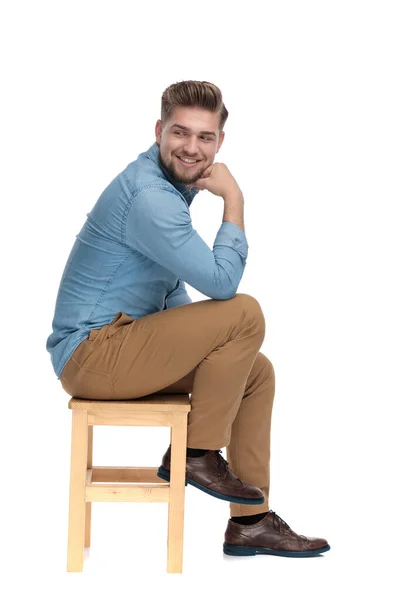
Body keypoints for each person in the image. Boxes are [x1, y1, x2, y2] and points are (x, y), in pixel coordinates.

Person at [46, 80, 330, 558]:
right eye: (180, 133)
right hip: (93, 354)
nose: (191, 147)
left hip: (124, 345)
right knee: (245, 312)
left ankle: (251, 523)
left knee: (255, 373)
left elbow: (169, 288)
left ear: (220, 142)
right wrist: (234, 200)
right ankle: (196, 455)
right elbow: (222, 286)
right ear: (159, 131)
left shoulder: (168, 192)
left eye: (204, 137)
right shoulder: (150, 197)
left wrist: (206, 343)